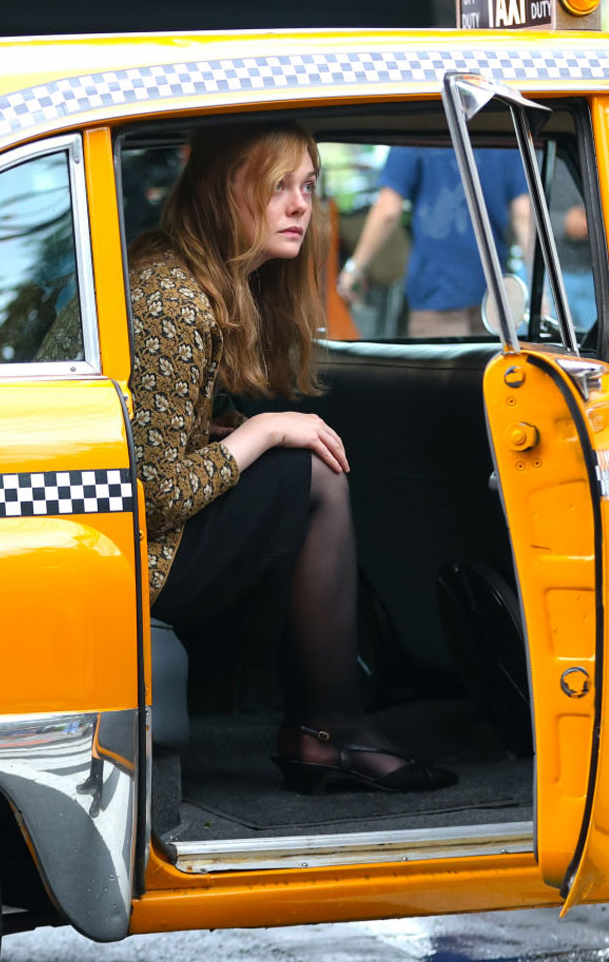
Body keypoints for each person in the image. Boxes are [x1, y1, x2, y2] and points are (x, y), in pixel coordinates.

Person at [128, 121, 455, 795]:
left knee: (297, 463)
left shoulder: (183, 273)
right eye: (278, 186)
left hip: (133, 542)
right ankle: (332, 728)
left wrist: (225, 430)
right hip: (134, 559)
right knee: (315, 475)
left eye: (307, 185)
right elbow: (153, 495)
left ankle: (325, 724)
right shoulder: (173, 299)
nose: (301, 205)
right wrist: (264, 431)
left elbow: (149, 435)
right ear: (224, 187)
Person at [337, 146, 529, 337]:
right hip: (492, 298)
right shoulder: (503, 134)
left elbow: (389, 209)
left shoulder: (416, 131)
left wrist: (355, 269)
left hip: (435, 292)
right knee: (491, 358)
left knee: (437, 357)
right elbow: (523, 215)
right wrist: (538, 288)